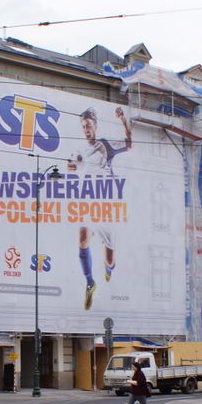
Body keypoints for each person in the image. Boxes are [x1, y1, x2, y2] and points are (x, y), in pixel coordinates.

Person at [72, 106, 133, 310]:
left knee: (109, 257)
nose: (86, 129)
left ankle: (109, 268)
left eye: (88, 125)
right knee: (82, 239)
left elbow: (129, 143)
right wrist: (70, 166)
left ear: (95, 126)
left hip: (106, 204)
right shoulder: (79, 149)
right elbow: (72, 166)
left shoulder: (106, 145)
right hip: (88, 202)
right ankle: (90, 282)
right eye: (83, 126)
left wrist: (123, 120)